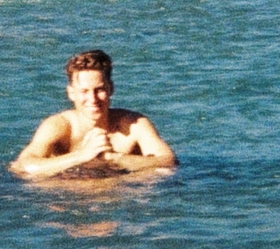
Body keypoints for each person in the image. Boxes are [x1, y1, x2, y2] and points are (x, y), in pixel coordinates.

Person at [12, 49, 176, 177]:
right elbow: (22, 166)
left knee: (160, 174)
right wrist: (82, 155)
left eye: (99, 90)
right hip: (68, 194)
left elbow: (168, 161)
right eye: (84, 91)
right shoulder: (59, 126)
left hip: (121, 196)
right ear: (71, 93)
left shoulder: (133, 124)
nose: (92, 98)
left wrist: (113, 158)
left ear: (111, 88)